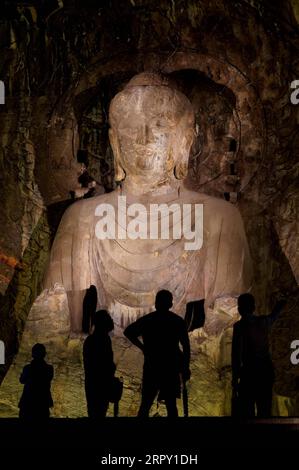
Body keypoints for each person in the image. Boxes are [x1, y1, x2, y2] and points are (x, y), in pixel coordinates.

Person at [44, 71, 252, 334]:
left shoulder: (220, 218)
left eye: (160, 125)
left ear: (185, 140)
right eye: (131, 125)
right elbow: (54, 327)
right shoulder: (82, 218)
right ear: (114, 141)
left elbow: (229, 330)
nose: (145, 138)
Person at [124, 290, 191, 417]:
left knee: (145, 404)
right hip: (170, 367)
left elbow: (128, 331)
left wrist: (143, 348)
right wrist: (185, 367)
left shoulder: (148, 320)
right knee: (171, 405)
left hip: (152, 365)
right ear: (170, 304)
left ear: (156, 303)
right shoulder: (177, 321)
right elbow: (186, 347)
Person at [231, 293, 286, 417]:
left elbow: (235, 355)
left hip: (248, 374)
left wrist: (234, 379)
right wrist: (281, 303)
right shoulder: (263, 322)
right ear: (253, 308)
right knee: (265, 411)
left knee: (247, 413)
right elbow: (274, 315)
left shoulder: (239, 327)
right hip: (265, 372)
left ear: (239, 310)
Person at [83, 309, 116, 418]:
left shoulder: (92, 340)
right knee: (99, 410)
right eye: (109, 319)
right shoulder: (102, 340)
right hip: (100, 381)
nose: (111, 321)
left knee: (95, 410)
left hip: (94, 380)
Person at [18, 343, 54, 419]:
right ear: (44, 354)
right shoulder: (49, 369)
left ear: (32, 354)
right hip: (42, 403)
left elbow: (22, 380)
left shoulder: (27, 368)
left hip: (27, 403)